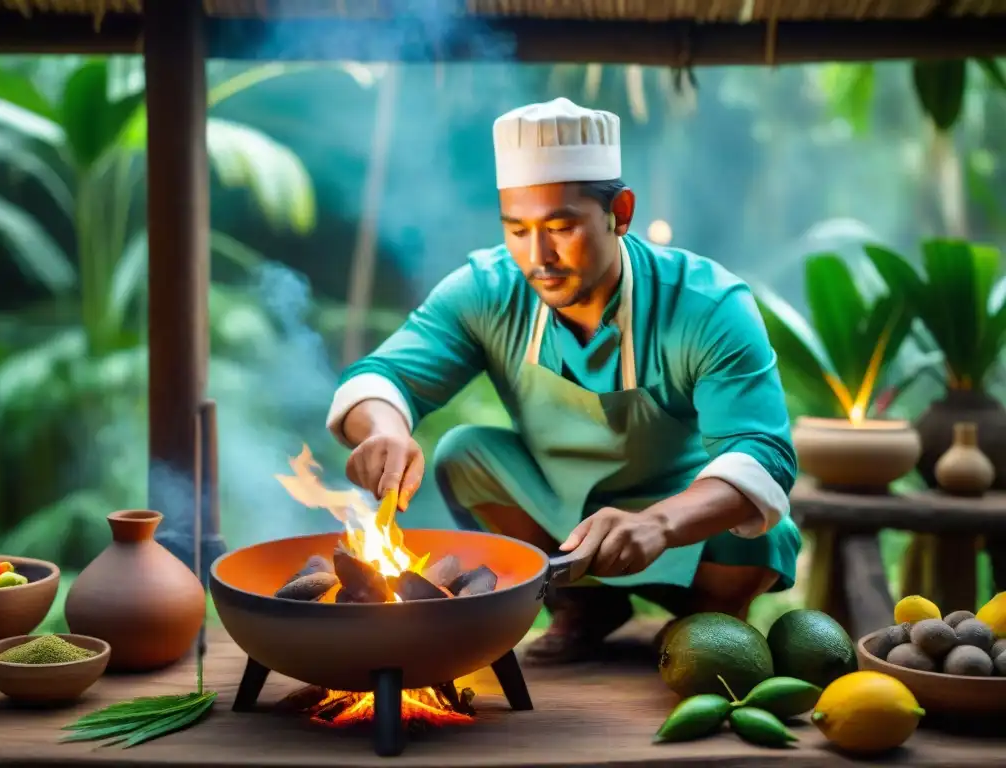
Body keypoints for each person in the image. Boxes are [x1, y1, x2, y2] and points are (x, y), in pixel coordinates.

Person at [326, 97, 801, 665]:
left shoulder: (706, 304)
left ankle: (707, 622)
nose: (538, 257)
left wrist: (659, 522)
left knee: (760, 527)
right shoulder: (485, 289)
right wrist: (385, 427)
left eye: (561, 227)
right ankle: (577, 606)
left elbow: (762, 451)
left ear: (619, 213)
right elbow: (383, 376)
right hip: (558, 512)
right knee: (463, 453)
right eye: (517, 230)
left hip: (684, 520)